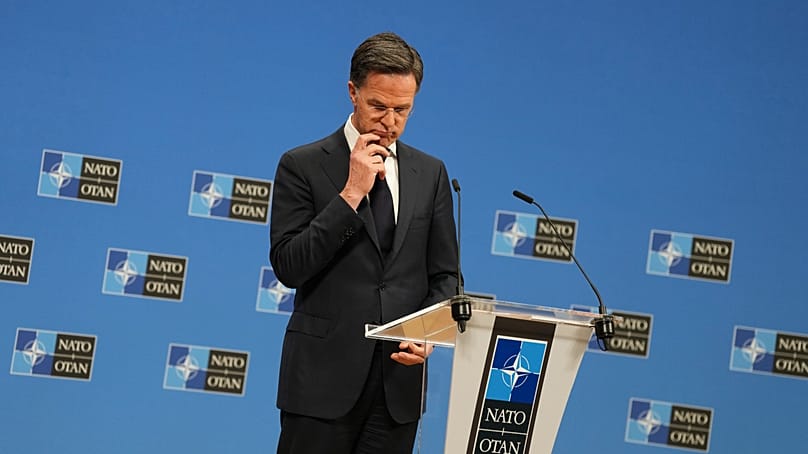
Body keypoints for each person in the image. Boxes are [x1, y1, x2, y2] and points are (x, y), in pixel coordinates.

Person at [269, 32, 459, 453]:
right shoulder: (302, 165)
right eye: (378, 106)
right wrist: (351, 193)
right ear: (353, 92)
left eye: (402, 110)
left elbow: (446, 276)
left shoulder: (430, 174)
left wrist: (428, 332)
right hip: (321, 383)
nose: (389, 121)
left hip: (397, 388)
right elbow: (289, 265)